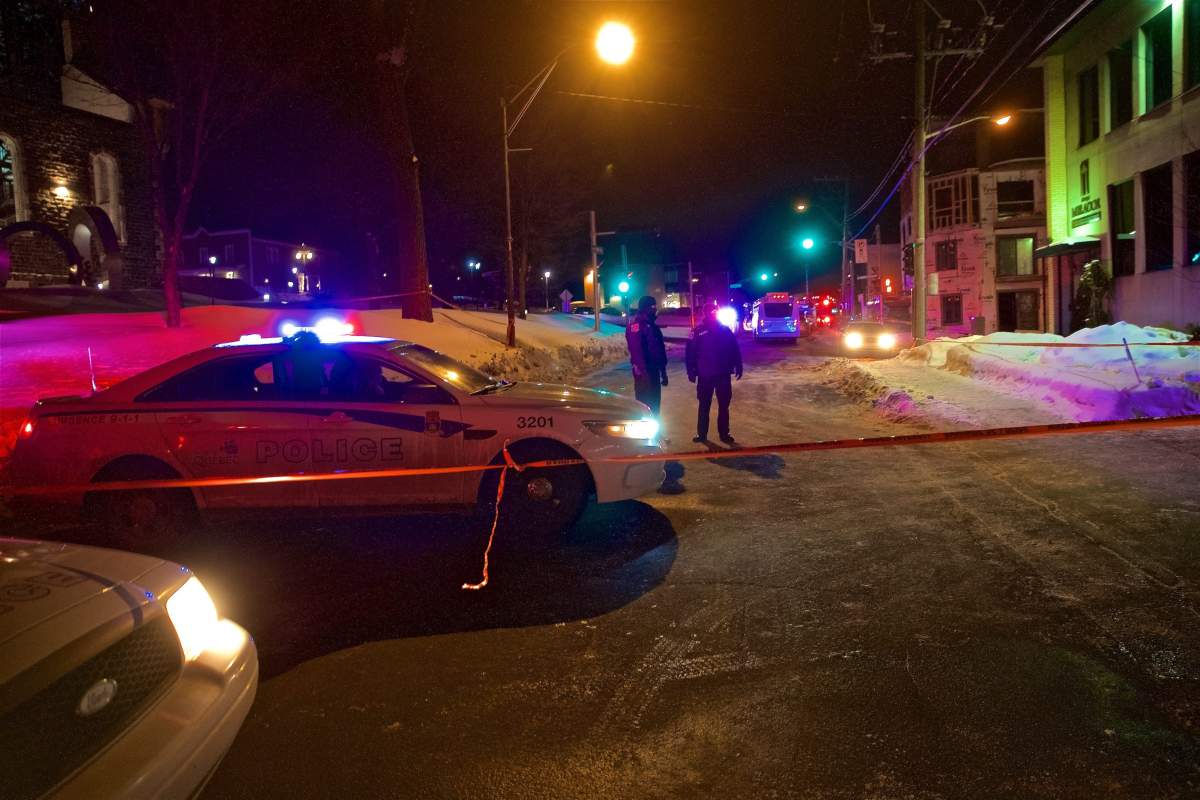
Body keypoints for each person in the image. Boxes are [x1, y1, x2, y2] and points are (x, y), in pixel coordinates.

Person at [685, 302, 743, 444]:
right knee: (704, 405)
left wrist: (738, 365)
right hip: (705, 375)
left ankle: (724, 433)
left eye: (714, 311)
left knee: (724, 406)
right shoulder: (697, 331)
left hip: (722, 373)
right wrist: (691, 370)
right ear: (705, 313)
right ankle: (702, 434)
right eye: (709, 311)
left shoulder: (725, 330)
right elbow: (690, 352)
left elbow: (734, 349)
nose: (712, 313)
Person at [625, 295, 669, 416]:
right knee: (644, 408)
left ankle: (654, 432)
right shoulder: (636, 325)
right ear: (645, 308)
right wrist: (642, 373)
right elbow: (636, 351)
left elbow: (659, 350)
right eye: (652, 306)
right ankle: (645, 433)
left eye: (655, 306)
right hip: (644, 374)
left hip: (654, 372)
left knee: (654, 407)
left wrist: (663, 371)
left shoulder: (652, 326)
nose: (655, 309)